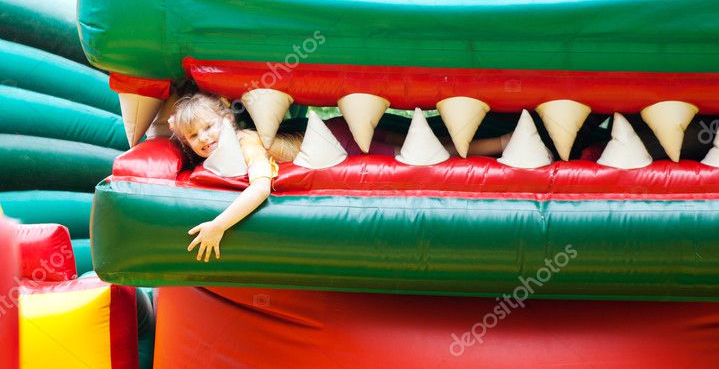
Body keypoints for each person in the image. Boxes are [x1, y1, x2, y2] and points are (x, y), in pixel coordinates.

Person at [169, 92, 509, 262]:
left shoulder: (244, 141)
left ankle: (499, 142)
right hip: (333, 133)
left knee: (429, 155)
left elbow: (260, 188)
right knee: (417, 145)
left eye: (208, 127)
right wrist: (175, 126)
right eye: (194, 137)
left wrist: (219, 225)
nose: (203, 139)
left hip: (340, 140)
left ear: (227, 119)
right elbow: (172, 130)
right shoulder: (214, 157)